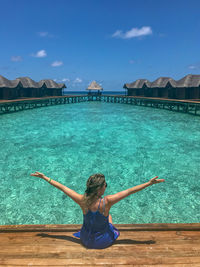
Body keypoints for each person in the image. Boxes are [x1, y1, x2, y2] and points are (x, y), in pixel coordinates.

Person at [30, 172, 165, 249]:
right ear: (101, 189)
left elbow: (63, 188)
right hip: (102, 242)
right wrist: (149, 183)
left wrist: (45, 177)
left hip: (85, 239)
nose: (106, 187)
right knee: (109, 217)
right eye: (105, 185)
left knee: (105, 217)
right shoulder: (106, 202)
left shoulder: (82, 200)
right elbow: (130, 191)